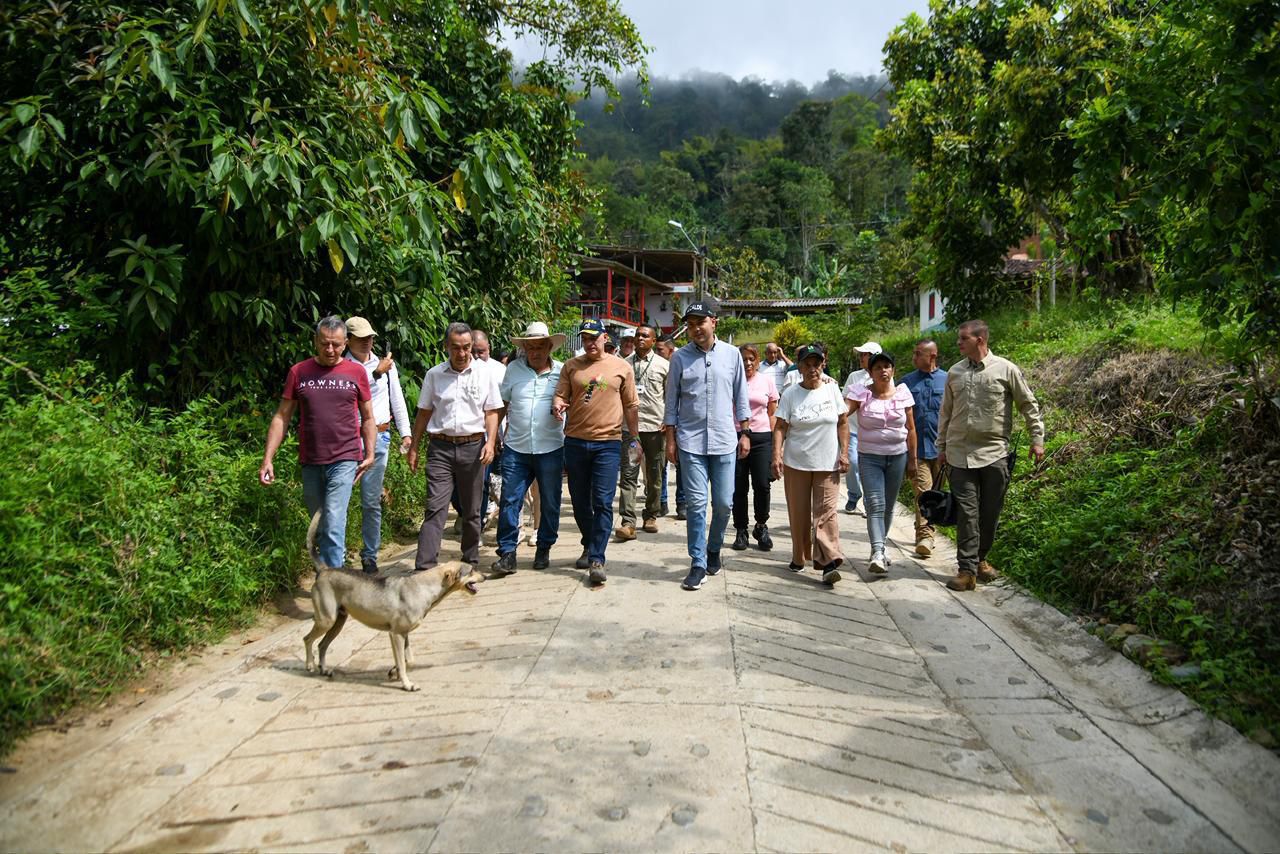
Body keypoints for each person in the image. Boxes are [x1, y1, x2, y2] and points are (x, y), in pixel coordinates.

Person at [259, 316, 376, 569]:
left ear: (345, 343)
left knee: (333, 521)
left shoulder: (356, 372)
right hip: (311, 461)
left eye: (336, 344)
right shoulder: (299, 372)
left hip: (345, 458)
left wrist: (370, 453)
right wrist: (268, 458)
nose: (330, 350)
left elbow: (367, 417)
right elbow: (282, 416)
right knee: (320, 524)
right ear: (315, 341)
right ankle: (329, 575)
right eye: (324, 344)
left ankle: (334, 591)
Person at [938, 319, 1045, 591]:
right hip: (959, 454)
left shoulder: (1006, 370)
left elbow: (1027, 403)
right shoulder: (955, 372)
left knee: (990, 513)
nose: (958, 343)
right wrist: (941, 448)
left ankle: (980, 559)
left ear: (980, 340)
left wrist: (1037, 439)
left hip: (994, 453)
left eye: (964, 338)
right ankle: (966, 570)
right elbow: (946, 414)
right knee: (967, 512)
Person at [664, 298, 751, 591]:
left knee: (724, 503)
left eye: (700, 323)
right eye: (690, 325)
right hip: (690, 442)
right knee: (697, 504)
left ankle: (714, 547)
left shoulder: (731, 355)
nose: (695, 329)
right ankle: (698, 561)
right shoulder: (679, 358)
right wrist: (670, 440)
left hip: (726, 440)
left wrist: (746, 432)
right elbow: (671, 402)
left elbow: (741, 395)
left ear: (714, 322)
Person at [407, 322, 502, 571]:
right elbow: (423, 414)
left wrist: (490, 443)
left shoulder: (485, 374)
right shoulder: (434, 375)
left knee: (472, 511)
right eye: (456, 348)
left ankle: (469, 561)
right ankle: (425, 567)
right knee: (435, 508)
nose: (461, 354)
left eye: (467, 348)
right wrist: (414, 447)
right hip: (440, 448)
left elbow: (492, 411)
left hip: (473, 448)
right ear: (446, 346)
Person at [552, 319, 640, 585]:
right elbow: (560, 396)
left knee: (602, 501)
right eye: (585, 338)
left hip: (608, 444)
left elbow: (631, 406)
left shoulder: (621, 367)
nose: (589, 343)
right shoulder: (571, 366)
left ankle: (597, 558)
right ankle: (589, 542)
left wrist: (634, 439)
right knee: (580, 502)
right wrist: (557, 405)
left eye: (594, 337)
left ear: (605, 338)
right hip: (576, 442)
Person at [490, 321, 566, 576]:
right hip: (517, 447)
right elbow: (502, 404)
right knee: (511, 499)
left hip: (551, 447)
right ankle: (507, 553)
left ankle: (544, 546)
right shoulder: (513, 369)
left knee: (551, 502)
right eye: (530, 347)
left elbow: (573, 404)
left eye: (539, 347)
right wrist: (492, 437)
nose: (534, 352)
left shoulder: (562, 372)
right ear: (524, 348)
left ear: (548, 347)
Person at [771, 343, 849, 585]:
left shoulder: (832, 389)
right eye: (808, 364)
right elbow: (780, 427)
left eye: (817, 363)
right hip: (797, 462)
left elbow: (843, 422)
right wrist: (776, 455)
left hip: (828, 463)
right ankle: (799, 556)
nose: (813, 368)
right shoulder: (792, 394)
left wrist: (844, 452)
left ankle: (828, 563)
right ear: (800, 366)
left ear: (823, 364)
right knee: (799, 513)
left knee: (826, 514)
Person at [344, 316, 412, 574]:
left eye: (369, 337)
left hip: (380, 436)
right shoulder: (342, 366)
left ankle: (369, 554)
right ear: (348, 340)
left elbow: (397, 399)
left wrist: (405, 433)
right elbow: (350, 394)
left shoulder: (386, 365)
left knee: (371, 500)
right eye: (360, 338)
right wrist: (375, 374)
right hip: (349, 437)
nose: (366, 342)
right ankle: (339, 555)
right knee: (342, 499)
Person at [846, 352, 918, 574]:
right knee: (875, 503)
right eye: (878, 368)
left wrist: (913, 461)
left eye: (887, 366)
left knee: (888, 504)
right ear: (870, 372)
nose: (883, 371)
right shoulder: (862, 394)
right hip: (869, 456)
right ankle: (877, 551)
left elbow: (911, 429)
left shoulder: (903, 394)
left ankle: (880, 547)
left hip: (898, 456)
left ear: (893, 370)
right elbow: (842, 413)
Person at [617, 325, 669, 539]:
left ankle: (651, 515)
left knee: (654, 475)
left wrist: (669, 420)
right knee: (629, 476)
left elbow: (671, 396)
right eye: (637, 335)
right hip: (630, 429)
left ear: (654, 341)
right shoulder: (622, 365)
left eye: (644, 336)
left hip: (655, 428)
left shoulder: (664, 365)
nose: (639, 338)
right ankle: (628, 522)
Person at [898, 338, 948, 557]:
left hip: (942, 451)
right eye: (914, 353)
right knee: (924, 493)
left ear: (932, 356)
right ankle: (925, 536)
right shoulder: (906, 383)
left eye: (919, 353)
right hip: (917, 451)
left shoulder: (948, 380)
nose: (914, 357)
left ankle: (930, 530)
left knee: (936, 495)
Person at [732, 344, 779, 551]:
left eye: (751, 358)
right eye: (743, 359)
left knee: (762, 484)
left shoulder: (767, 381)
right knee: (739, 487)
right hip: (735, 436)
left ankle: (761, 525)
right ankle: (741, 529)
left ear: (757, 360)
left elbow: (773, 413)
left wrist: (777, 446)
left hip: (762, 438)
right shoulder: (732, 380)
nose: (748, 363)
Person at [841, 341, 881, 515]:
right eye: (861, 354)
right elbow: (845, 400)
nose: (861, 358)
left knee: (868, 467)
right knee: (853, 463)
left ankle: (867, 501)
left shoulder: (883, 375)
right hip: (853, 429)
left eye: (864, 354)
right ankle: (853, 494)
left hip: (872, 431)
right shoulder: (854, 376)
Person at [654, 335, 680, 517]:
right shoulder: (655, 366)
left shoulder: (682, 365)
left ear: (670, 351)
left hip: (683, 424)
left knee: (682, 465)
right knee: (661, 464)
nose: (657, 353)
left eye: (660, 350)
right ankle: (662, 501)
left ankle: (682, 503)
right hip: (662, 424)